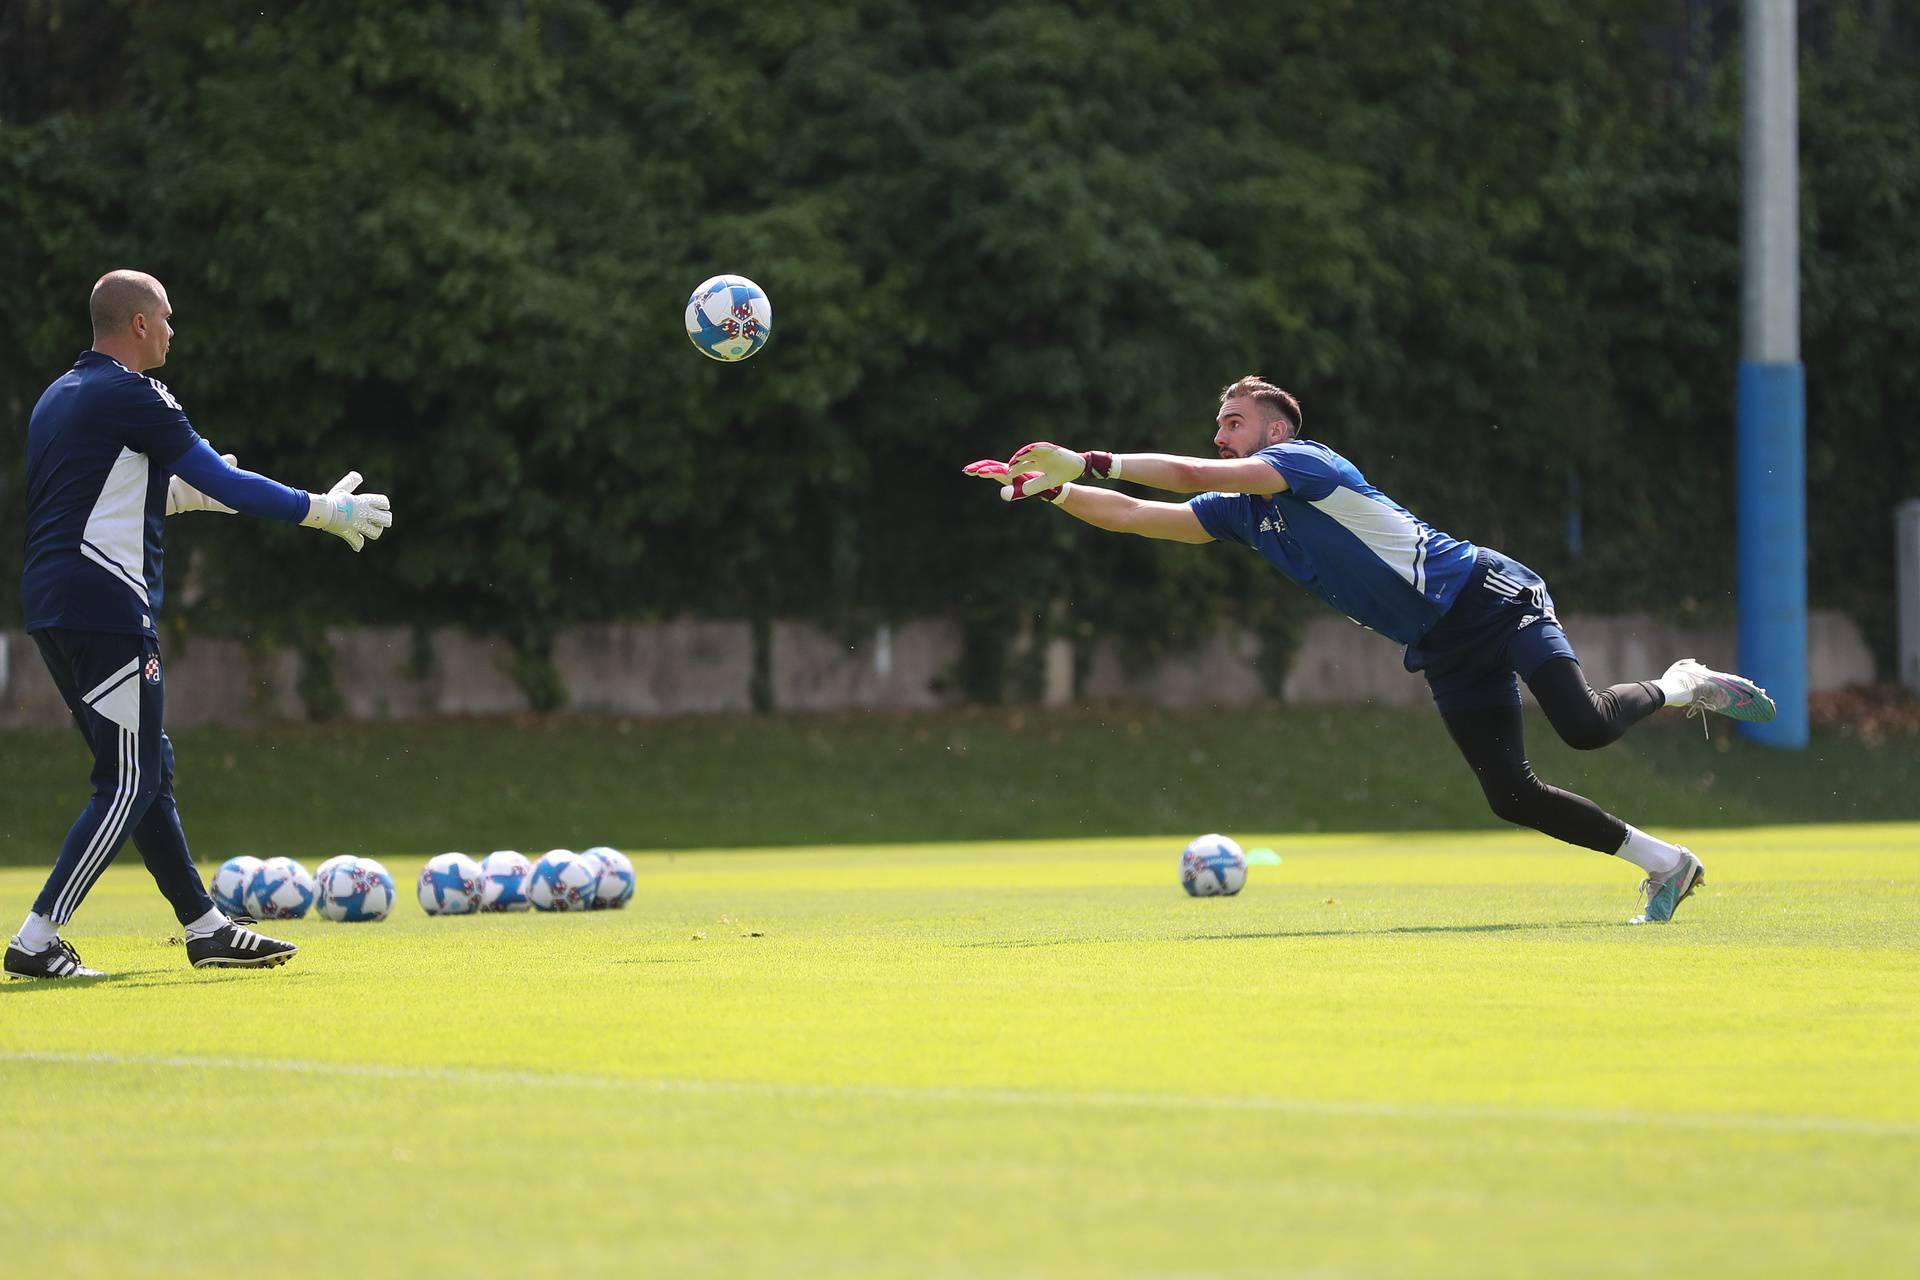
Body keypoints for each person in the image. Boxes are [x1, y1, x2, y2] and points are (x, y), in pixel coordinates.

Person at [965, 375, 1776, 925]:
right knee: (1510, 793)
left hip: (1490, 598)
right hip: (1442, 643)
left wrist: (1093, 456)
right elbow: (1142, 517)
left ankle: (1681, 683)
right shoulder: (1246, 511)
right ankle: (1667, 865)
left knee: (1587, 727)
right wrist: (1060, 490)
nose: (1219, 434)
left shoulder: (1304, 464)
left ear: (1275, 431)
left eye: (1234, 421)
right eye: (1218, 424)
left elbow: (1170, 473)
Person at [5, 269, 393, 980]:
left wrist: (178, 497)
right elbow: (226, 479)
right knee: (128, 780)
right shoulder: (136, 393)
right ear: (141, 325)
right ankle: (36, 938)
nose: (175, 330)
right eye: (169, 317)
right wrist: (322, 511)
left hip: (55, 606)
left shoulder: (60, 396)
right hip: (109, 606)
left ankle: (205, 924)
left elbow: (98, 495)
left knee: (148, 766)